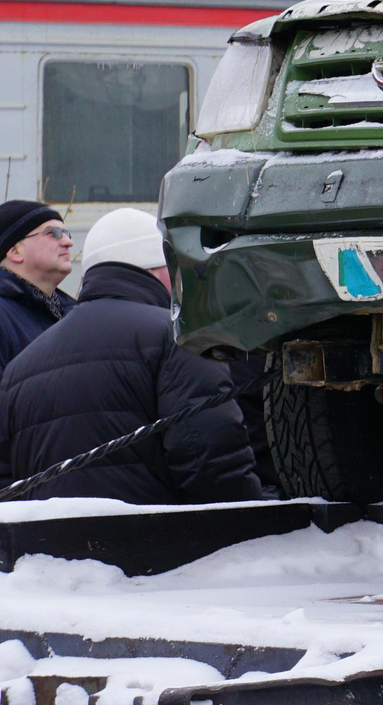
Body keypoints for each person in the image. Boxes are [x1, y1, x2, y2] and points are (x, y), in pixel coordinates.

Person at [0, 207, 268, 504]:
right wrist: (255, 523)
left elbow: (9, 482)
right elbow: (210, 459)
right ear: (155, 267)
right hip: (159, 543)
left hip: (45, 546)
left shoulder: (20, 366)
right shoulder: (178, 338)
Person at [0, 201, 74, 369]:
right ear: (15, 251)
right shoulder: (4, 316)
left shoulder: (73, 313)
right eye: (53, 233)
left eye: (66, 234)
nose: (68, 243)